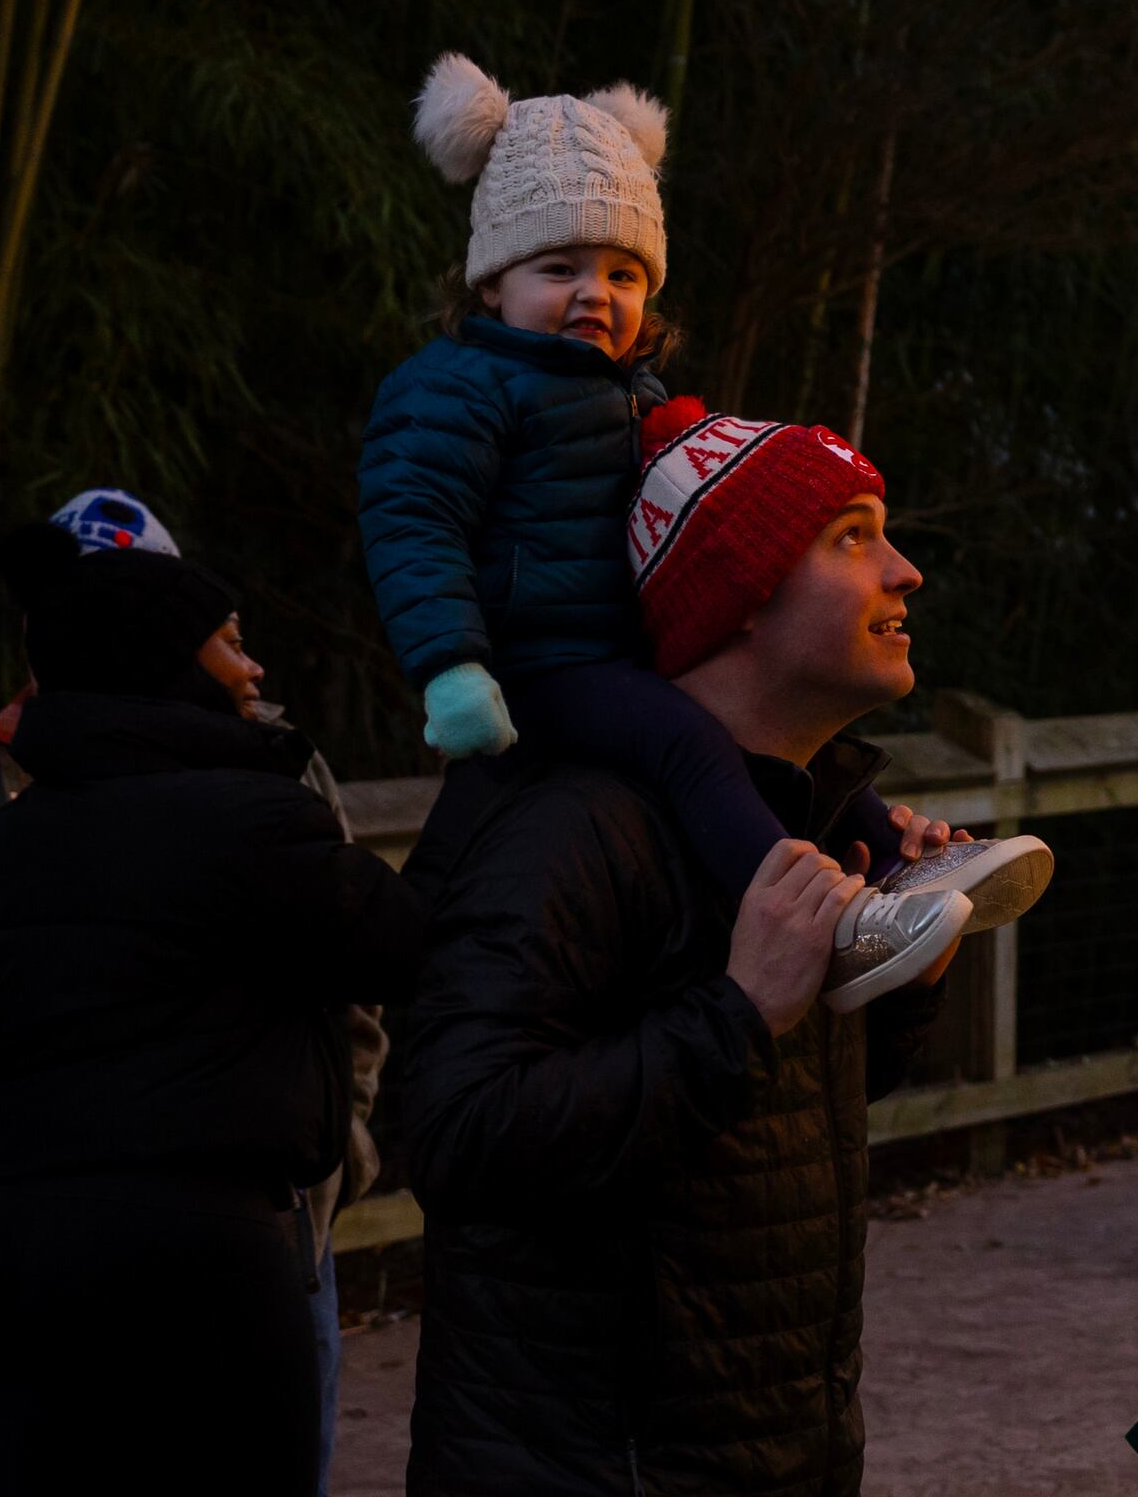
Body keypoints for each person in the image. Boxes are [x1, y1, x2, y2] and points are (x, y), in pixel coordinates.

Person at [386, 406, 1027, 1495]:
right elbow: (449, 1131)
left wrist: (899, 987)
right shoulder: (579, 825)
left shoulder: (807, 821)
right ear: (741, 588)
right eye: (854, 536)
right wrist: (736, 1011)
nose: (906, 571)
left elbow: (759, 1143)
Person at [0, 489, 389, 1497]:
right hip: (17, 1237)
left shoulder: (274, 785)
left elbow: (355, 999)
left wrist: (326, 1173)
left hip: (255, 1226)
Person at [360, 54, 940, 1001]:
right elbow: (412, 525)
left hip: (624, 652)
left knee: (788, 739)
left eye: (624, 273)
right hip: (537, 665)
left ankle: (891, 880)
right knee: (688, 746)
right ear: (490, 285)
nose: (597, 294)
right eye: (560, 268)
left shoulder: (630, 394)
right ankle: (806, 918)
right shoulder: (457, 388)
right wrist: (453, 667)